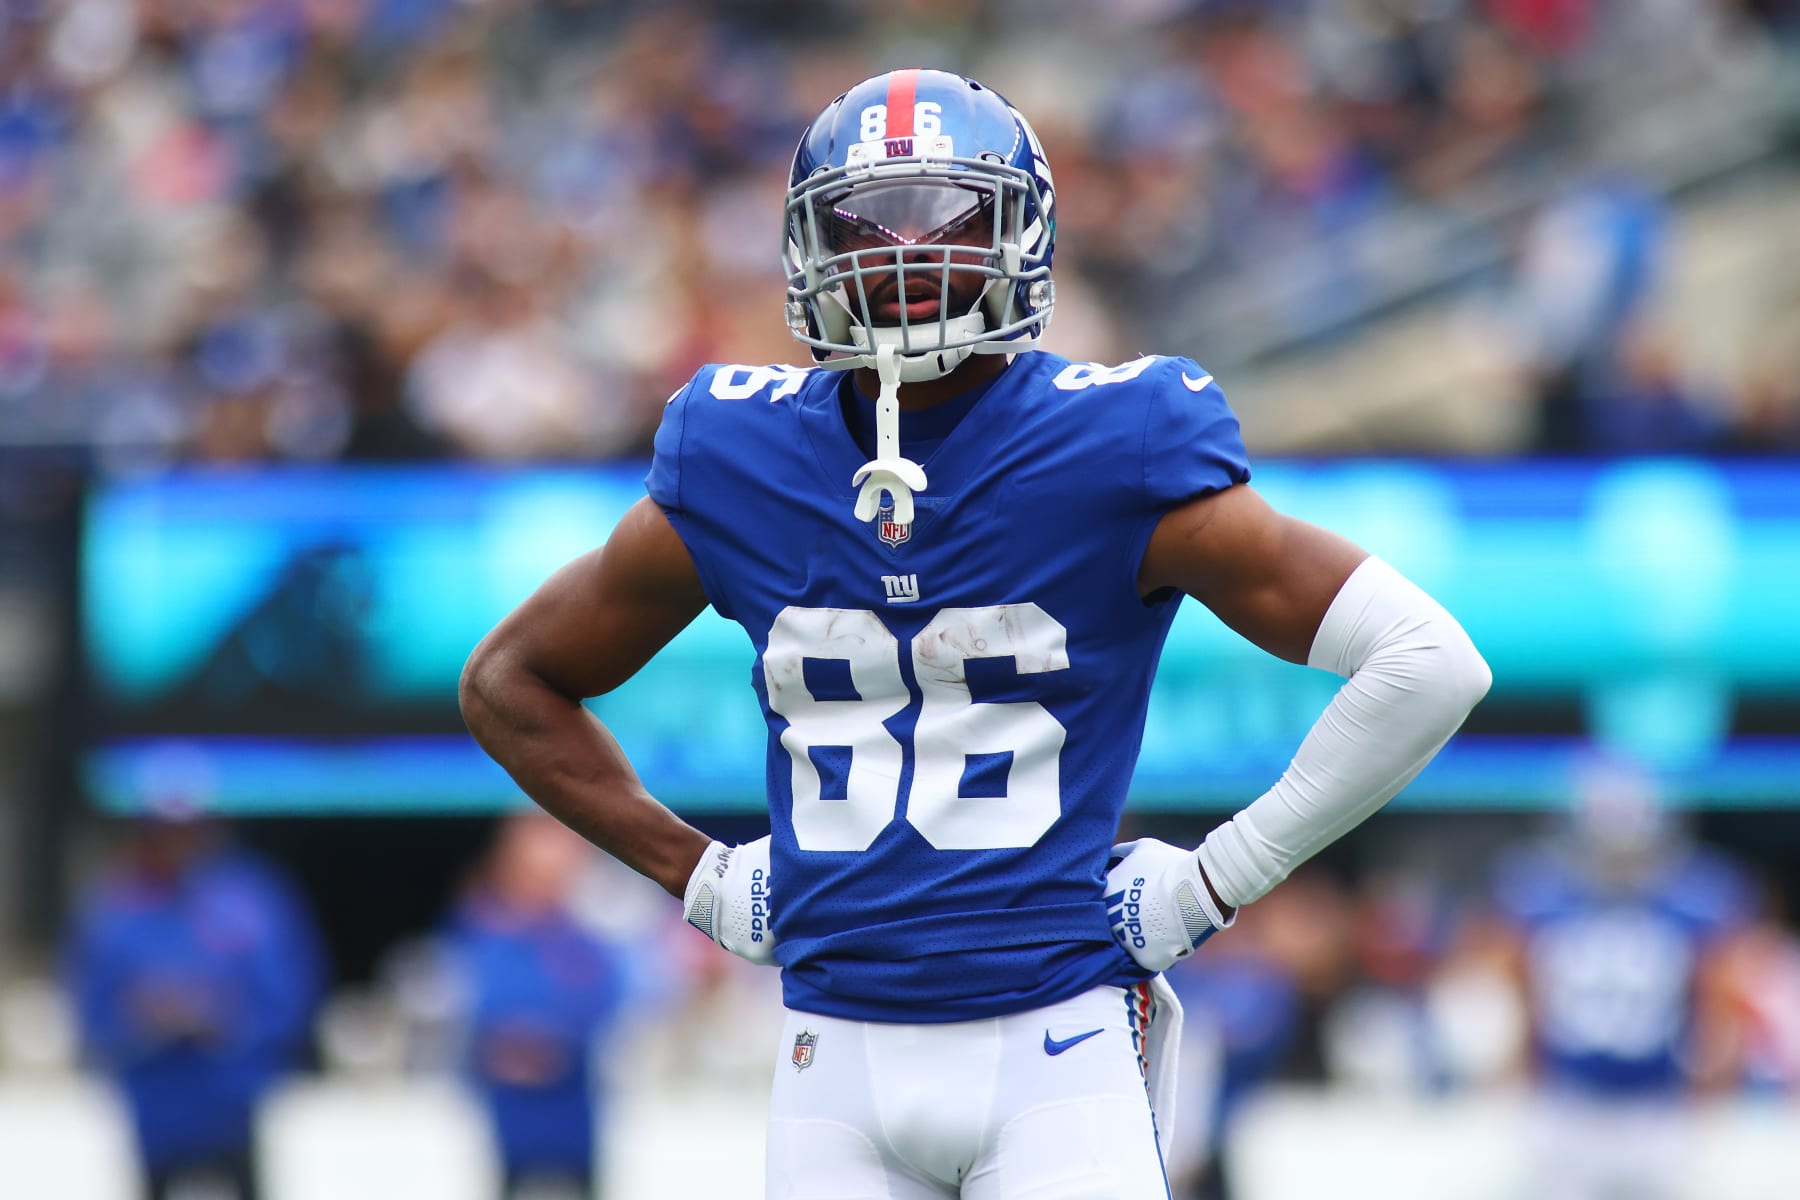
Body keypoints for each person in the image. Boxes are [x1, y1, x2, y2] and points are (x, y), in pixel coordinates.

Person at [461, 68, 1490, 1199]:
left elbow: (1428, 660)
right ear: (809, 247)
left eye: (947, 218)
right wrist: (697, 876)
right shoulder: (735, 456)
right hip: (828, 1055)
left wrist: (1218, 884)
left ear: (1024, 232)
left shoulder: (1114, 446)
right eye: (868, 222)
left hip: (1055, 1047)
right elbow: (511, 680)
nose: (903, 257)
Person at [62, 812, 326, 1200]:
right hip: (155, 1107)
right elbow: (90, 1008)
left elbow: (291, 992)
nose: (176, 844)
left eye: (187, 831)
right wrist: (141, 1017)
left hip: (230, 1101)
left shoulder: (251, 901)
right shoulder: (115, 909)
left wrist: (225, 1015)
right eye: (163, 832)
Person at [439, 811, 630, 1200]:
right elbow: (462, 1005)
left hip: (574, 1129)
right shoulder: (478, 930)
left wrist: (552, 1043)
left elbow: (607, 1005)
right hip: (496, 1132)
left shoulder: (590, 937)